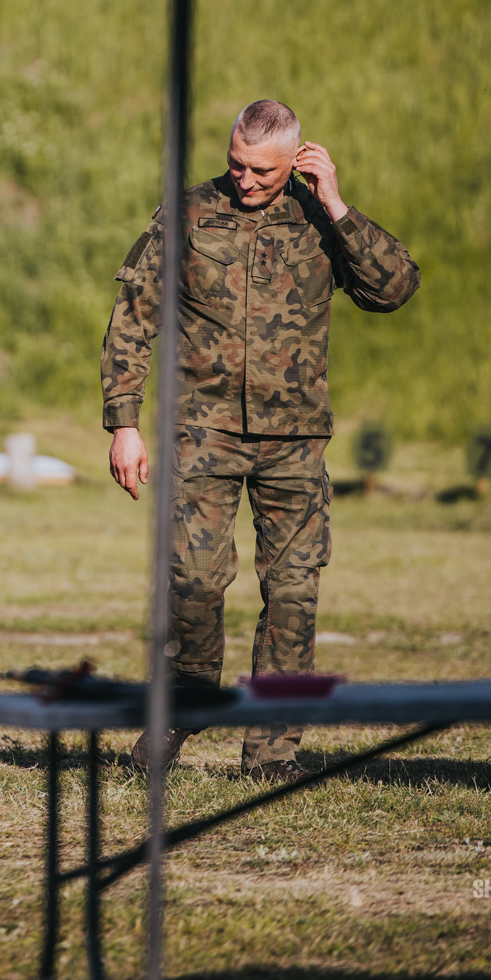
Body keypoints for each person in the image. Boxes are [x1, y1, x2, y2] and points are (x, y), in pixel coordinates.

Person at [102, 99, 418, 780]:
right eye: (236, 165)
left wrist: (335, 203)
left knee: (294, 594)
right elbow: (133, 315)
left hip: (294, 441)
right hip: (202, 433)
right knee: (193, 584)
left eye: (262, 171)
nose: (245, 180)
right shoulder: (187, 212)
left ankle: (272, 755)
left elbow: (393, 287)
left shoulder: (317, 215)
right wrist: (124, 422)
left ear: (297, 160)